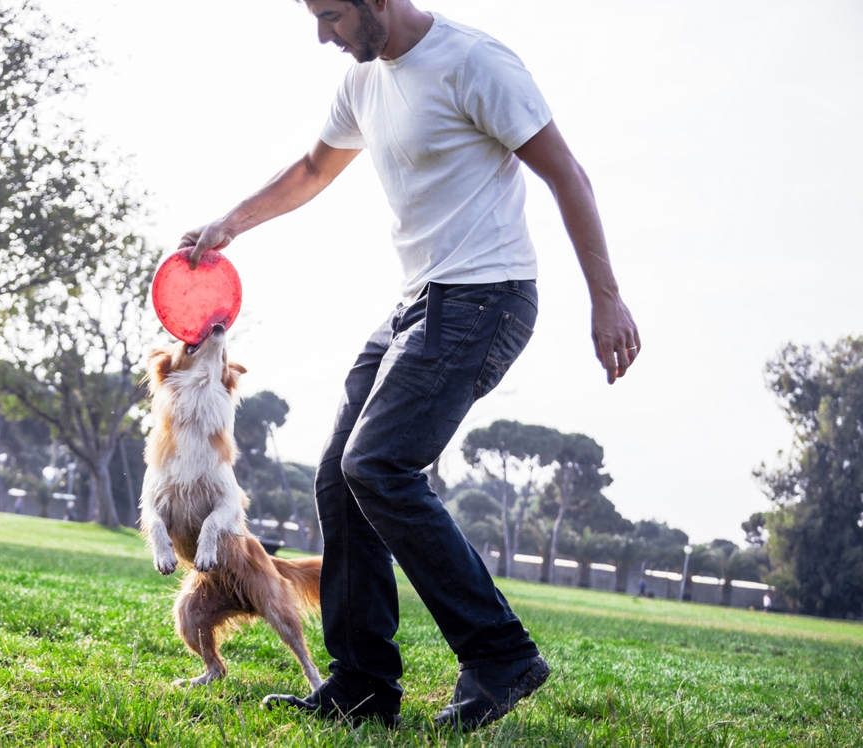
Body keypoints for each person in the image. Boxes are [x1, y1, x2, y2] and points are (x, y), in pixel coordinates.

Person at [179, 0, 640, 732]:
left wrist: (607, 299)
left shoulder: (475, 62)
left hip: (487, 297)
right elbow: (311, 168)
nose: (322, 35)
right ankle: (362, 683)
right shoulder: (364, 81)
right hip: (417, 303)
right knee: (339, 473)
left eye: (331, 15)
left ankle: (500, 654)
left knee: (380, 466)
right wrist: (231, 223)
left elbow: (567, 174)